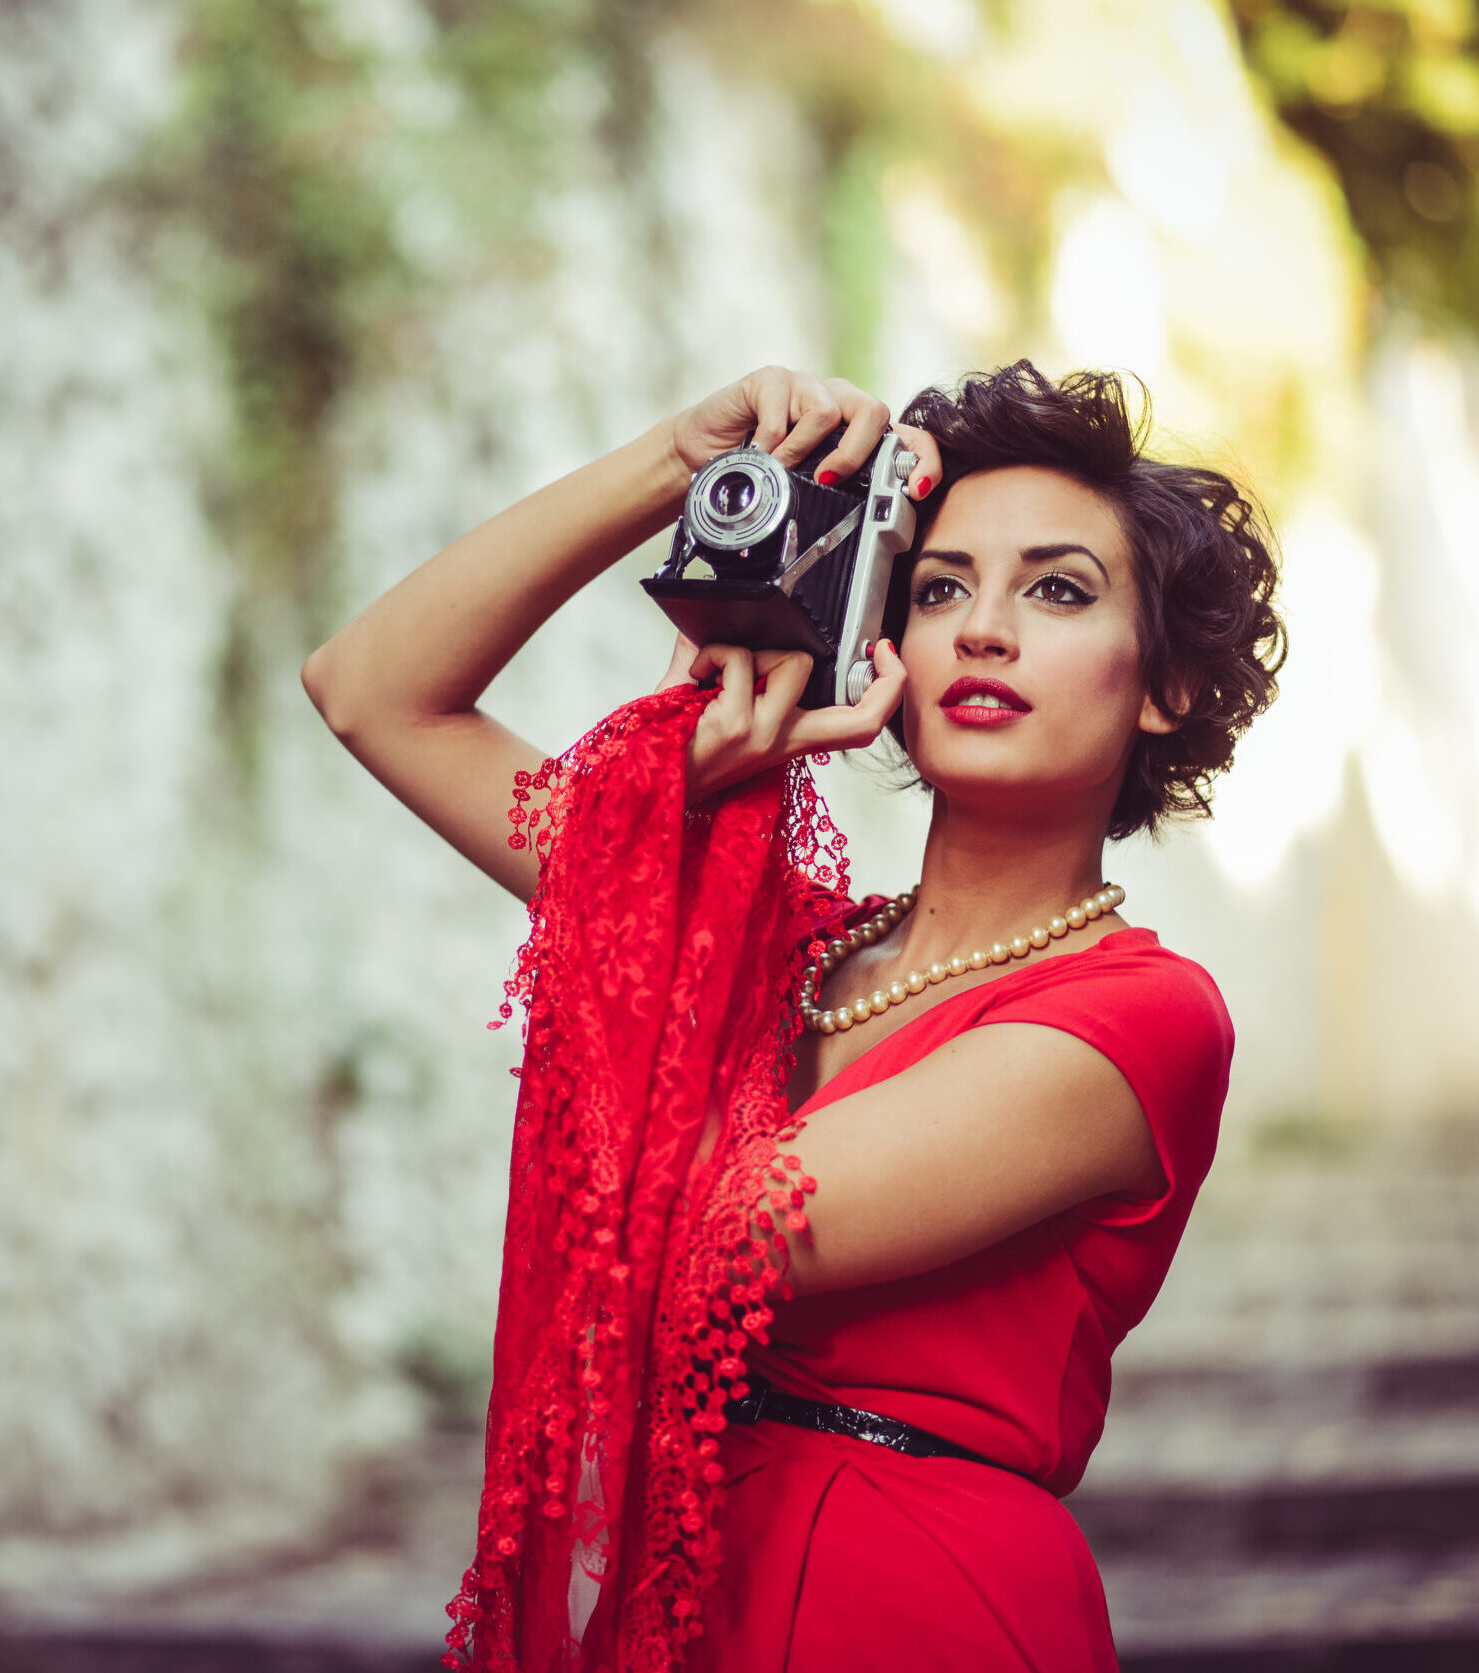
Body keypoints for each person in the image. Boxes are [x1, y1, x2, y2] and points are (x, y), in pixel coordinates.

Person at [302, 362, 1283, 1672]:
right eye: (939, 587)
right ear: (882, 641)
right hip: (687, 1583)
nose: (982, 629)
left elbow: (716, 1233)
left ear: (1160, 684)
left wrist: (685, 828)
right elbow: (371, 687)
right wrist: (678, 465)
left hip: (912, 1600)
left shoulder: (1141, 1013)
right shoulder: (766, 938)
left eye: (1055, 589)